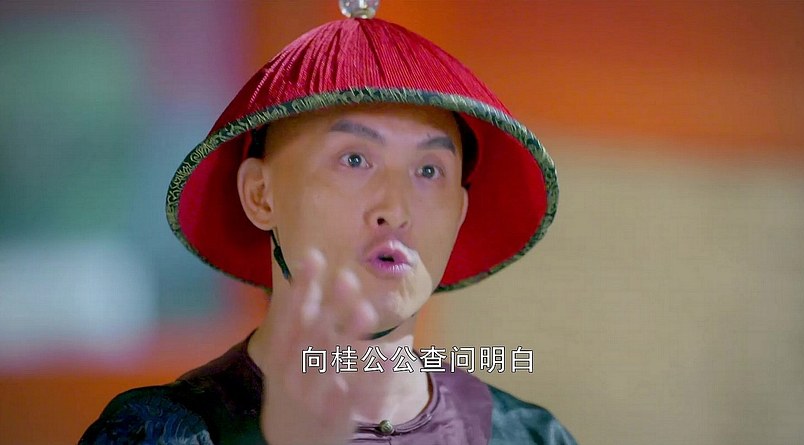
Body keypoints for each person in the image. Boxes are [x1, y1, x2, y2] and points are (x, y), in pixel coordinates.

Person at [80, 2, 576, 444]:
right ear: (260, 195)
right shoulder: (164, 433)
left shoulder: (529, 436)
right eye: (354, 160)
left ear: (461, 212)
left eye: (429, 170)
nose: (396, 209)